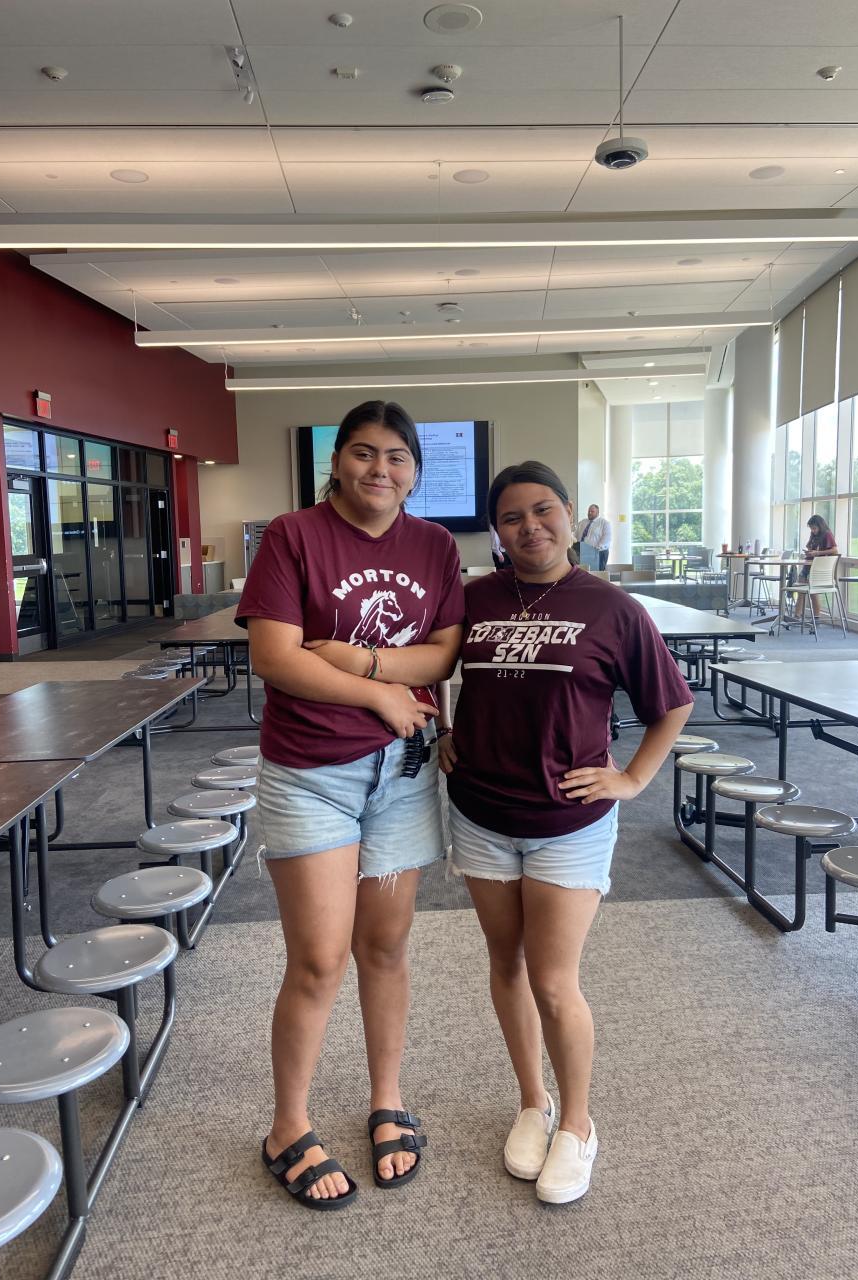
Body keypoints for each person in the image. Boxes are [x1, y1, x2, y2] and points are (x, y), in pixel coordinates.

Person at [438, 461, 693, 1205]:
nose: (530, 527)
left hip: (567, 822)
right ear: (496, 531)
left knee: (553, 981)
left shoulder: (611, 607)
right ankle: (533, 1102)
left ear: (571, 514)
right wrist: (442, 727)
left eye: (543, 510)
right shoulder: (475, 598)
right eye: (512, 517)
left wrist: (632, 779)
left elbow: (670, 704)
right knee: (506, 964)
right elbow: (429, 667)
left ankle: (578, 1123)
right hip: (481, 813)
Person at [236, 400, 464, 1210]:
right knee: (319, 959)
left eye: (397, 456)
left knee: (387, 947)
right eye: (364, 453)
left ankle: (386, 1100)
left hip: (402, 774)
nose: (380, 469)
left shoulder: (434, 546)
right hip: (312, 775)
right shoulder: (294, 535)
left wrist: (358, 660)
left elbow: (444, 651)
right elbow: (275, 657)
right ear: (336, 462)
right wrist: (382, 694)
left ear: (415, 471)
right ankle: (287, 1127)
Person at [792, 513, 838, 623]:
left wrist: (817, 553)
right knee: (801, 590)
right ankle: (797, 616)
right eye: (811, 528)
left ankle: (814, 617)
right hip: (809, 566)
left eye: (814, 528)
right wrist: (810, 552)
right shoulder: (814, 535)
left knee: (812, 592)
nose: (813, 531)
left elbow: (835, 550)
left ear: (820, 526)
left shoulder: (827, 534)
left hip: (818, 568)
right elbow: (812, 547)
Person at [577, 503, 612, 570]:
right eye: (589, 511)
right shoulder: (582, 522)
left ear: (598, 513)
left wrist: (594, 551)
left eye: (592, 511)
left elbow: (606, 539)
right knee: (584, 572)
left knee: (597, 574)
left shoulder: (604, 523)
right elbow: (575, 535)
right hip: (582, 552)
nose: (589, 513)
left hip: (599, 553)